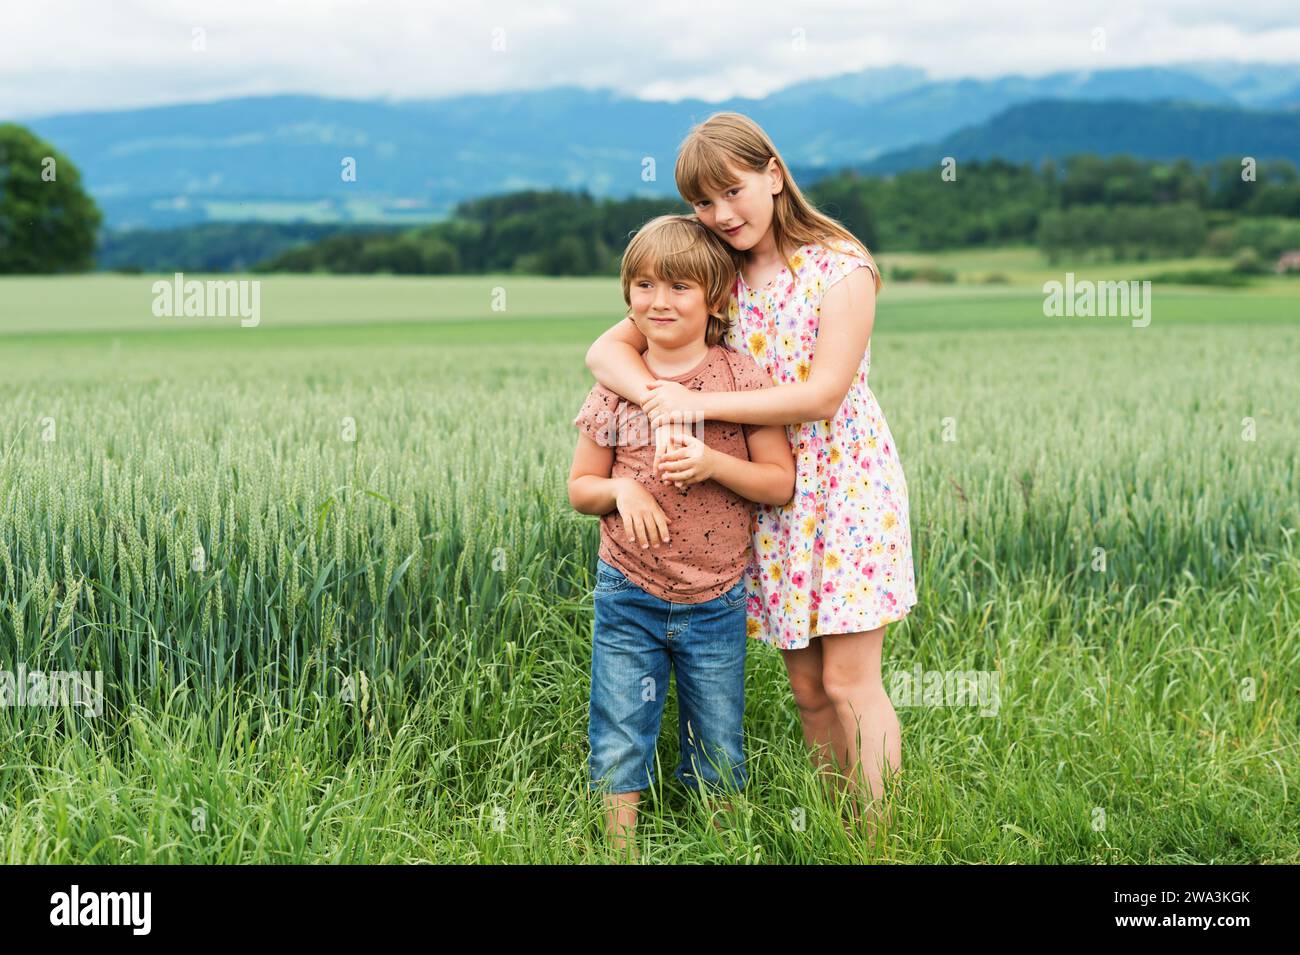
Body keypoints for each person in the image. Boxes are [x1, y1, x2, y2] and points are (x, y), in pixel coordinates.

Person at [584, 112, 919, 843]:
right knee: (805, 687)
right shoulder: (720, 278)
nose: (720, 214)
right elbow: (604, 352)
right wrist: (656, 399)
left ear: (773, 173)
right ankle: (838, 828)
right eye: (703, 203)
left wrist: (697, 405)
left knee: (849, 681)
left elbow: (824, 393)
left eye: (731, 191)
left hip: (844, 487)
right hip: (762, 489)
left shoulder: (840, 267)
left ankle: (882, 840)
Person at [568, 214, 795, 857]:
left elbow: (778, 483)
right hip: (627, 592)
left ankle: (722, 845)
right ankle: (620, 851)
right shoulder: (616, 388)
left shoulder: (741, 380)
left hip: (716, 598)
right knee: (619, 728)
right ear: (626, 294)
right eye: (642, 285)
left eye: (679, 288)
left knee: (719, 739)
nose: (657, 301)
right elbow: (581, 487)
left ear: (716, 296)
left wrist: (713, 464)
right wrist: (621, 489)